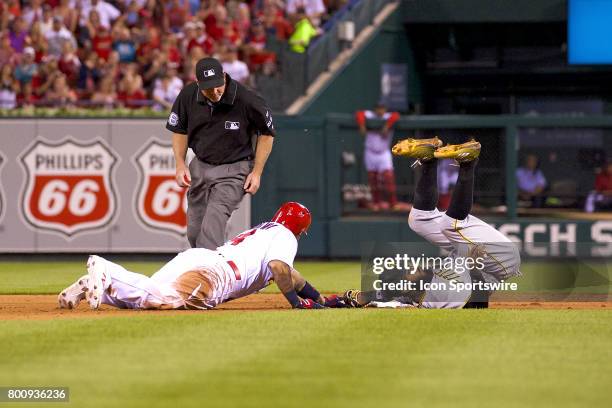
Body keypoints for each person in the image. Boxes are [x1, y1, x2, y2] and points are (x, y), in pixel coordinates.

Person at [58, 202, 343, 310]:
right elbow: (279, 267)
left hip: (201, 259)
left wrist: (320, 299)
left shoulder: (267, 230)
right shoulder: (284, 236)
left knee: (147, 296)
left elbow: (291, 275)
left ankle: (95, 287)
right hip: (216, 275)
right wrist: (296, 304)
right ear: (300, 229)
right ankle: (106, 269)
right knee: (163, 299)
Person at [343, 138, 521, 309]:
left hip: (482, 257)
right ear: (407, 286)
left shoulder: (421, 289)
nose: (412, 267)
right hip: (502, 261)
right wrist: (472, 268)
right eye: (407, 272)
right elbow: (478, 301)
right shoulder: (438, 296)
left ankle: (428, 160)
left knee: (418, 221)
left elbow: (381, 294)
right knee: (449, 224)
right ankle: (468, 164)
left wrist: (358, 297)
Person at [166, 57, 275, 249]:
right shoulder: (188, 95)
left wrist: (256, 173)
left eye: (218, 85)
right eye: (208, 88)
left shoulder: (246, 99)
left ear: (224, 77)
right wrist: (180, 164)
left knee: (212, 227)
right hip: (200, 165)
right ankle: (214, 268)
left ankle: (209, 275)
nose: (215, 92)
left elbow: (266, 134)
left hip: (235, 169)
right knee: (195, 232)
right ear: (198, 83)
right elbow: (180, 130)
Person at [355, 103, 410, 211]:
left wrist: (387, 125)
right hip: (370, 152)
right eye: (378, 108)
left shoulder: (387, 117)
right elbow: (359, 114)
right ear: (375, 109)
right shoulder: (370, 115)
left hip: (383, 153)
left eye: (382, 108)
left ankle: (393, 203)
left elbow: (396, 115)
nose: (380, 110)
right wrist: (362, 125)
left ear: (385, 109)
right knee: (372, 178)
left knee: (388, 177)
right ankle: (376, 202)